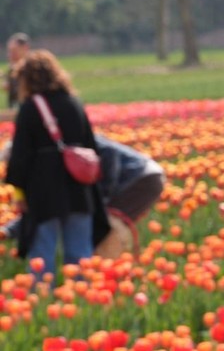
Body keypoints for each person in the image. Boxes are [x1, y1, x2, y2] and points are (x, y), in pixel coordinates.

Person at [4, 49, 109, 280]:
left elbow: (20, 153)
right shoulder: (74, 103)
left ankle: (41, 300)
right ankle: (82, 303)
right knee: (80, 253)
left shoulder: (31, 108)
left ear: (27, 79)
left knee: (42, 252)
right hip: (80, 188)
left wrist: (18, 190)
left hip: (43, 192)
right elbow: (92, 145)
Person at [1, 135, 165, 258]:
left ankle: (112, 271)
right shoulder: (45, 171)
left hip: (141, 178)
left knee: (108, 226)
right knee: (102, 225)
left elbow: (110, 154)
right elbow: (40, 209)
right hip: (139, 178)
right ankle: (109, 270)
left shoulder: (60, 147)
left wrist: (103, 196)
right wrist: (8, 231)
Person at [5, 32, 30, 109]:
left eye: (14, 51)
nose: (10, 55)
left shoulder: (32, 68)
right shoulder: (12, 68)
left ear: (25, 48)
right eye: (9, 51)